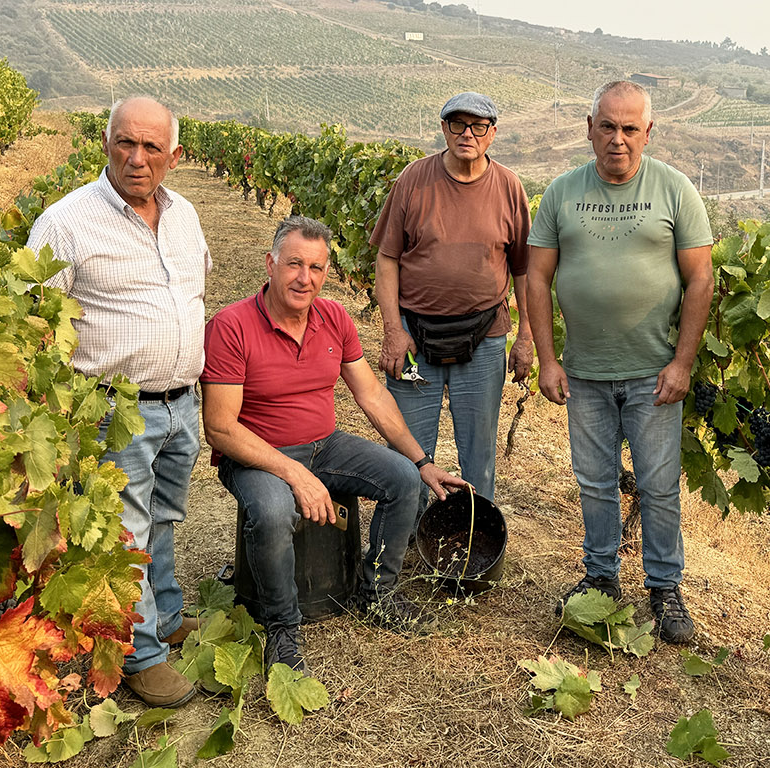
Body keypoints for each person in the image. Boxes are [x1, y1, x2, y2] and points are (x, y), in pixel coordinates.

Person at [201, 215, 469, 673]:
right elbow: (221, 429)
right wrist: (294, 474)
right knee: (271, 512)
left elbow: (372, 395)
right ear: (270, 264)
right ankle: (282, 627)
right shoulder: (231, 326)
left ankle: (376, 592)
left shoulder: (335, 318)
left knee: (404, 479)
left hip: (324, 443)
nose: (305, 279)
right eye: (294, 264)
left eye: (317, 268)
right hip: (255, 455)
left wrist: (422, 460)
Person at [26, 96, 209, 706]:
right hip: (112, 407)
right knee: (125, 531)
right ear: (104, 143)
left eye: (152, 146)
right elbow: (33, 324)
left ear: (174, 157)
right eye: (125, 143)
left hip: (181, 403)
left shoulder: (184, 216)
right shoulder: (66, 222)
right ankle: (140, 655)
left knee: (163, 517)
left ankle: (167, 614)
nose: (137, 158)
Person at [525, 81, 713, 644]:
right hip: (583, 371)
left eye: (631, 128)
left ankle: (664, 589)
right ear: (589, 127)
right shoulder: (561, 193)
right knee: (595, 482)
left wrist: (682, 362)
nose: (618, 139)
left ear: (648, 133)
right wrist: (547, 359)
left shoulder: (675, 191)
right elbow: (536, 276)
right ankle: (601, 578)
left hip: (654, 373)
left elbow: (701, 278)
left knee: (658, 485)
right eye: (607, 126)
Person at [370, 91, 532, 513]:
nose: (468, 134)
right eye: (458, 124)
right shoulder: (413, 179)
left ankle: (473, 540)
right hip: (413, 337)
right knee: (408, 453)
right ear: (443, 129)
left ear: (492, 133)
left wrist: (527, 338)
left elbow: (524, 271)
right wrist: (393, 331)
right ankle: (409, 538)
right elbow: (386, 259)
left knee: (478, 457)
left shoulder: (509, 187)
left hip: (484, 340)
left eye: (479, 126)